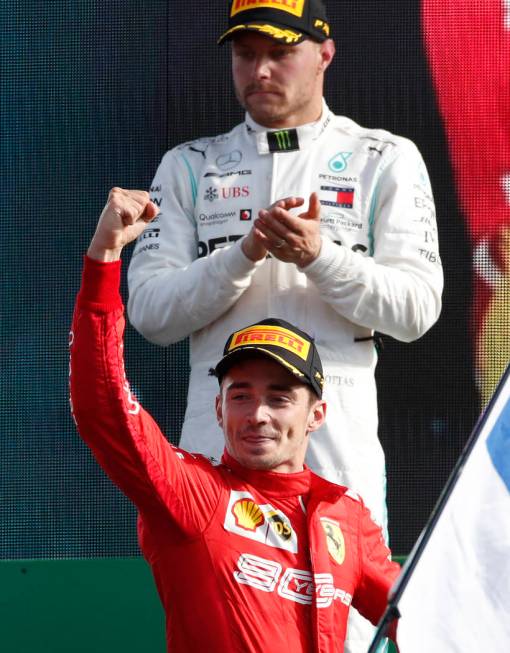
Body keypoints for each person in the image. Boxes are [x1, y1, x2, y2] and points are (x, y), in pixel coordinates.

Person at [127, 1, 442, 649]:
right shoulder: (189, 166)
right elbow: (150, 312)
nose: (260, 70)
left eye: (280, 52)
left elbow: (416, 307)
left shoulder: (384, 157)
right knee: (219, 628)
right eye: (245, 54)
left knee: (348, 633)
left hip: (337, 453)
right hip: (218, 458)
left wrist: (318, 256)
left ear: (324, 53)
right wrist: (242, 256)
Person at [69, 188, 400, 653]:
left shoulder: (346, 517)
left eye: (280, 398)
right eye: (241, 395)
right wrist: (104, 258)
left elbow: (422, 618)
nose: (257, 414)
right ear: (219, 408)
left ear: (316, 415)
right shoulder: (193, 493)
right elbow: (103, 407)